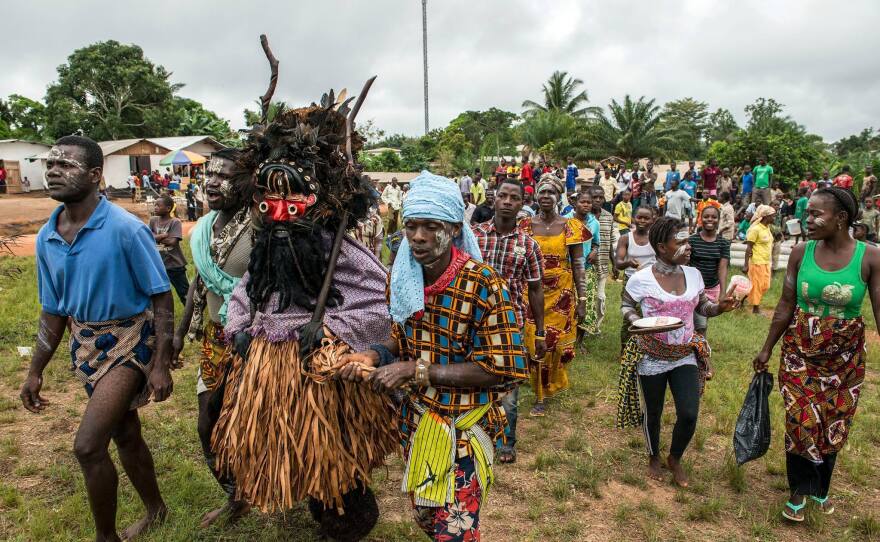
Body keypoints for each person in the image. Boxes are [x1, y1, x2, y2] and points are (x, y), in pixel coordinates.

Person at [210, 91, 398, 540]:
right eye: (270, 198)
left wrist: (331, 328)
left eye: (292, 196)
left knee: (332, 450)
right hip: (269, 367)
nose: (281, 208)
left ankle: (349, 518)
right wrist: (238, 326)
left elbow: (378, 299)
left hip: (318, 371)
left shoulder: (339, 250)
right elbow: (246, 289)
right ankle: (319, 505)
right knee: (293, 447)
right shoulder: (268, 246)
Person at [340, 171, 527, 540]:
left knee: (453, 532)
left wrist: (418, 370)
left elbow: (503, 368)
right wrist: (375, 356)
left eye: (430, 226)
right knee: (427, 517)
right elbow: (401, 336)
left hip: (465, 426)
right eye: (411, 226)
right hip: (419, 422)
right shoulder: (405, 275)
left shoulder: (485, 285)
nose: (418, 237)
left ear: (455, 229)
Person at [20, 135, 174, 541]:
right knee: (125, 433)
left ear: (94, 175)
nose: (53, 170)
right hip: (86, 346)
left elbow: (161, 296)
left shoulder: (125, 229)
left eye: (65, 165)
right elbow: (53, 310)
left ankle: (105, 538)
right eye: (50, 164)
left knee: (88, 446)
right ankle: (157, 510)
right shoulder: (47, 237)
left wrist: (159, 363)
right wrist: (35, 370)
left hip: (130, 342)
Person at [752, 186, 880, 522]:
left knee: (833, 424)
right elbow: (785, 304)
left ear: (841, 218)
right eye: (806, 212)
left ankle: (821, 489)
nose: (806, 219)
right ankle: (798, 490)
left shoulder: (869, 257)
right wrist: (767, 347)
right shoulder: (800, 252)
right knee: (800, 421)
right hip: (800, 354)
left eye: (815, 213)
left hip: (846, 359)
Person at [616, 217, 738, 487]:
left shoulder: (693, 275)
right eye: (680, 241)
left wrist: (720, 307)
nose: (687, 246)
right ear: (661, 247)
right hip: (652, 355)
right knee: (654, 412)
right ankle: (653, 457)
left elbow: (703, 307)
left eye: (687, 240)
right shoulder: (641, 279)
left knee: (689, 413)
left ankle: (675, 457)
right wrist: (636, 321)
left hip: (684, 353)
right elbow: (626, 306)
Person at [171, 148, 254, 527]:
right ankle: (235, 495)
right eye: (211, 174)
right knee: (207, 423)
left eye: (226, 176)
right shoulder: (204, 227)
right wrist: (181, 329)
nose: (213, 182)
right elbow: (199, 282)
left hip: (257, 340)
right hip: (215, 340)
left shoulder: (261, 225)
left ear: (249, 181)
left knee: (259, 423)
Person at [473, 178, 545, 464]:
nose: (506, 201)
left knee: (508, 387)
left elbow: (536, 289)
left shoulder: (528, 245)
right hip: (473, 319)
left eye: (513, 198)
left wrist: (539, 332)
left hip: (510, 322)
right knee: (474, 379)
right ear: (494, 198)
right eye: (502, 195)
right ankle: (474, 435)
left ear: (521, 204)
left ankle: (506, 442)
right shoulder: (474, 236)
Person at [520, 174, 589, 417]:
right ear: (536, 196)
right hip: (532, 291)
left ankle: (549, 387)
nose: (546, 197)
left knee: (554, 344)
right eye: (542, 192)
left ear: (559, 197)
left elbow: (578, 264)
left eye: (551, 192)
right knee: (533, 340)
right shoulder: (525, 226)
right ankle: (538, 392)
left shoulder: (571, 227)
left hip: (562, 294)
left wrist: (582, 300)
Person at [615, 205, 657, 349]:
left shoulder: (655, 238)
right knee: (630, 316)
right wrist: (628, 262)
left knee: (649, 315)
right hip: (631, 282)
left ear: (653, 220)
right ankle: (625, 350)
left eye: (646, 218)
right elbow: (618, 263)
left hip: (652, 282)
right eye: (639, 217)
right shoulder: (625, 238)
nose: (642, 221)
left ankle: (646, 348)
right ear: (634, 218)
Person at [688, 206, 730, 334]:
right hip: (694, 287)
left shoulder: (723, 243)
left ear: (718, 220)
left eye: (714, 217)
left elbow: (722, 269)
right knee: (698, 323)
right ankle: (699, 348)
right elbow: (685, 264)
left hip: (712, 288)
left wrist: (723, 293)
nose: (710, 219)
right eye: (706, 216)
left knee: (703, 318)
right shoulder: (692, 240)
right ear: (701, 219)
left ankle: (697, 347)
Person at [566, 190, 601, 340]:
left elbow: (596, 243)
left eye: (589, 202)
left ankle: (579, 339)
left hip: (586, 268)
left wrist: (595, 250)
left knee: (585, 303)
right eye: (583, 202)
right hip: (567, 268)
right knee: (568, 303)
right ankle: (567, 336)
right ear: (575, 203)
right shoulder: (565, 220)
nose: (586, 205)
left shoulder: (595, 223)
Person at [149, 195, 189, 304]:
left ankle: (192, 317)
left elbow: (173, 242)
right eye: (155, 205)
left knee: (184, 294)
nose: (155, 207)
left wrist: (154, 237)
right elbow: (147, 237)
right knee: (159, 295)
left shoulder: (175, 222)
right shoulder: (153, 220)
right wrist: (161, 236)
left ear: (168, 208)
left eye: (158, 205)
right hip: (158, 265)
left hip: (174, 265)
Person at [589, 185, 621, 316]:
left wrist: (614, 264)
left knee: (600, 297)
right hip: (585, 264)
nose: (597, 200)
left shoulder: (608, 217)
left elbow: (609, 243)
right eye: (594, 197)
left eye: (600, 197)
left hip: (602, 263)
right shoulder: (583, 215)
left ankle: (597, 326)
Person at [743, 204, 776, 314]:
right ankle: (756, 309)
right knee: (757, 285)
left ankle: (740, 298)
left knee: (765, 285)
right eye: (772, 216)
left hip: (766, 261)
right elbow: (749, 248)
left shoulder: (767, 228)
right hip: (756, 261)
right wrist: (746, 265)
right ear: (766, 216)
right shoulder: (755, 229)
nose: (774, 218)